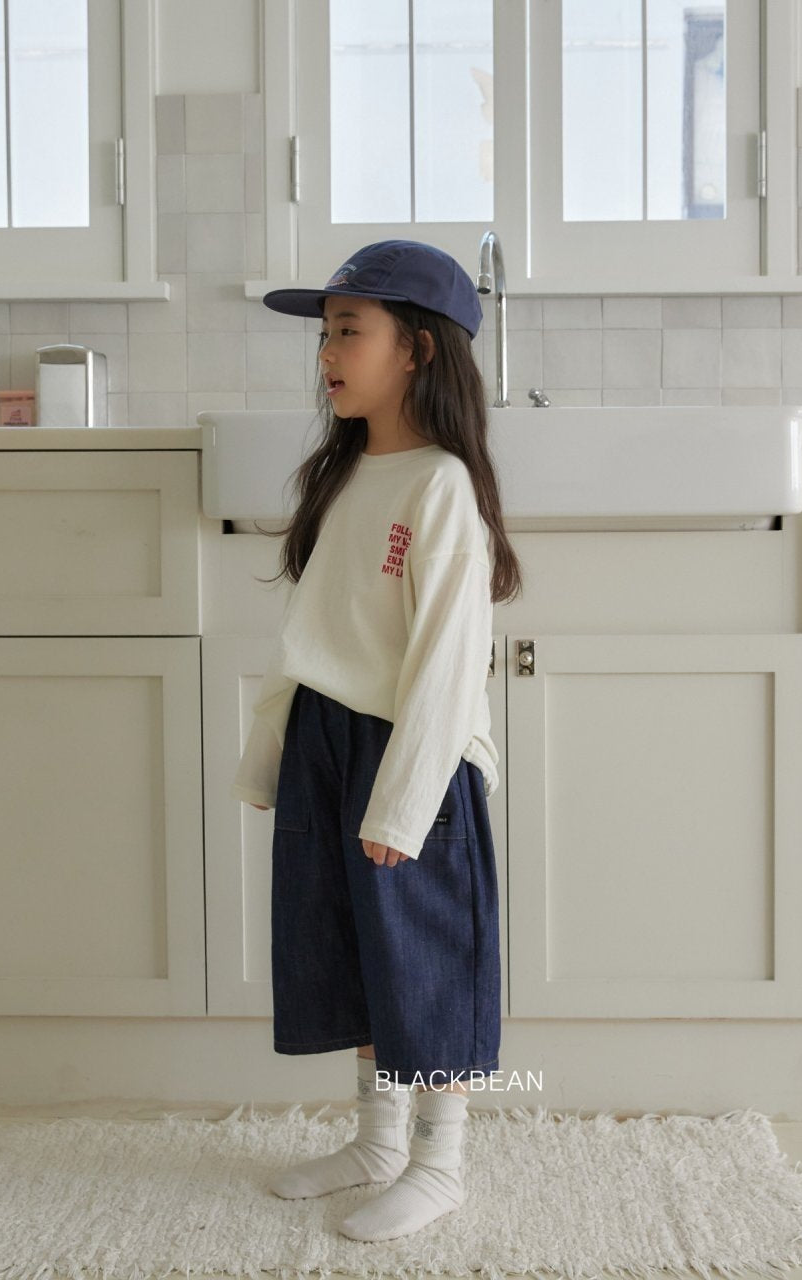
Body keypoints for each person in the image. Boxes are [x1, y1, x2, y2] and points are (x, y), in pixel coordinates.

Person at [230, 239, 525, 1242]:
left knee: (423, 958)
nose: (327, 352)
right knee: (351, 948)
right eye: (325, 333)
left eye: (349, 331)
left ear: (418, 349)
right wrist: (274, 754)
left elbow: (447, 660)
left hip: (413, 752)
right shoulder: (347, 473)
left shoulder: (440, 486)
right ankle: (377, 1140)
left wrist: (404, 802)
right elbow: (312, 634)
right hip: (328, 738)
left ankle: (439, 1161)